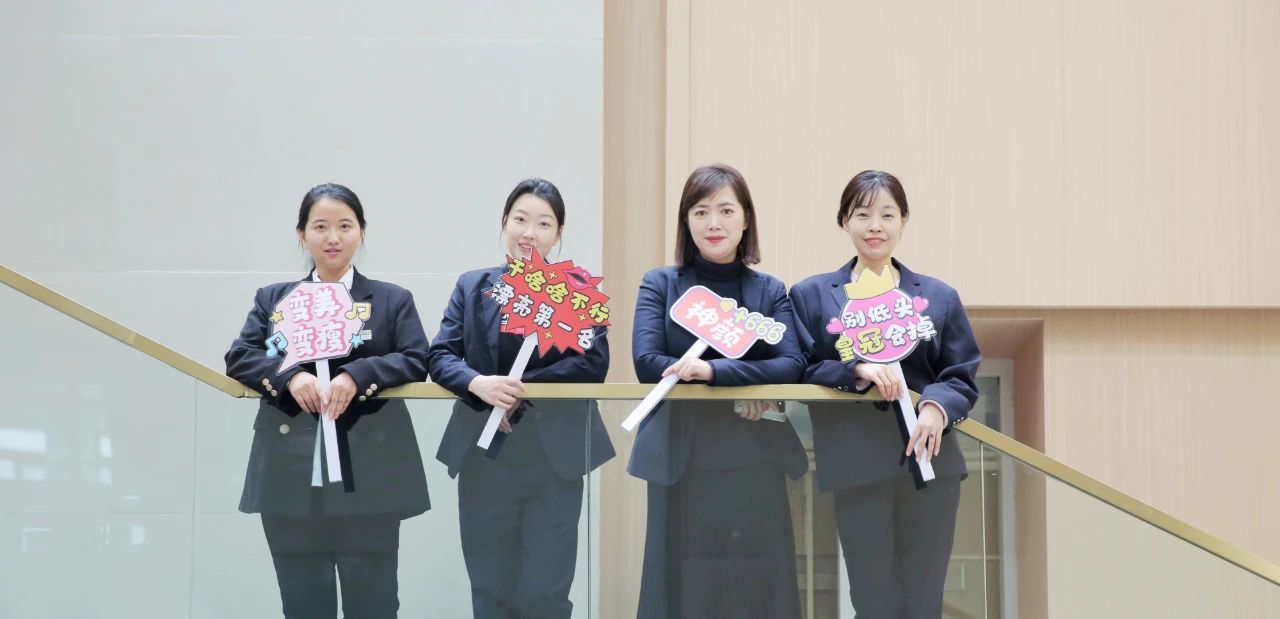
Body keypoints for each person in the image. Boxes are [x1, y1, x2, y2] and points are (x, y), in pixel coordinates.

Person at [225, 183, 431, 618]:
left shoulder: (391, 300)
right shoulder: (275, 298)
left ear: (362, 232)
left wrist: (359, 374)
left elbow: (416, 358)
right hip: (290, 476)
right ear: (302, 235)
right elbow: (240, 356)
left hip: (371, 474)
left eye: (345, 226)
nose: (333, 237)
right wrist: (289, 375)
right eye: (320, 227)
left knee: (374, 603)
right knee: (302, 604)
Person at [789, 170, 981, 618]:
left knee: (924, 600)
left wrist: (936, 407)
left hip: (928, 465)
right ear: (844, 222)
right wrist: (856, 369)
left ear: (903, 222)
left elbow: (961, 373)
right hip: (857, 467)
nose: (875, 226)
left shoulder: (937, 296)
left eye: (887, 215)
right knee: (873, 600)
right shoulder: (812, 296)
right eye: (862, 215)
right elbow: (800, 367)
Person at [428, 178, 614, 619]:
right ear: (505, 223)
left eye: (543, 223)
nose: (530, 232)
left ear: (559, 232)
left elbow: (593, 363)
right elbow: (440, 356)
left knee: (545, 593)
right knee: (491, 590)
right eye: (521, 219)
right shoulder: (473, 286)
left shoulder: (576, 291)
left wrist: (518, 393)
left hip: (553, 459)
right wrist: (479, 384)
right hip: (485, 457)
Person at [629, 163, 806, 619]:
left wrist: (714, 373)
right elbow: (647, 361)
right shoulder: (661, 283)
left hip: (754, 461)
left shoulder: (769, 291)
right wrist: (747, 377)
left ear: (746, 220)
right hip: (679, 462)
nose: (714, 223)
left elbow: (792, 363)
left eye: (726, 210)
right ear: (686, 221)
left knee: (753, 592)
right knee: (683, 592)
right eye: (701, 211)